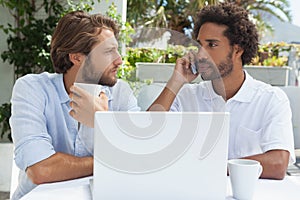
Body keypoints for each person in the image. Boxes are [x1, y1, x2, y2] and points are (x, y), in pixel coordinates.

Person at [148, 2, 295, 180]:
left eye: (212, 45)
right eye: (200, 45)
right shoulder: (186, 96)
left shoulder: (271, 99)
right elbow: (148, 135)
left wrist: (210, 166)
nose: (201, 55)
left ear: (237, 49)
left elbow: (278, 163)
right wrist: (175, 82)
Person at [10, 11, 140, 199]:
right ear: (77, 57)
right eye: (108, 52)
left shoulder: (121, 94)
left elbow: (141, 157)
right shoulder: (33, 89)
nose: (119, 60)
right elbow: (41, 170)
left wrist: (102, 120)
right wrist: (113, 162)